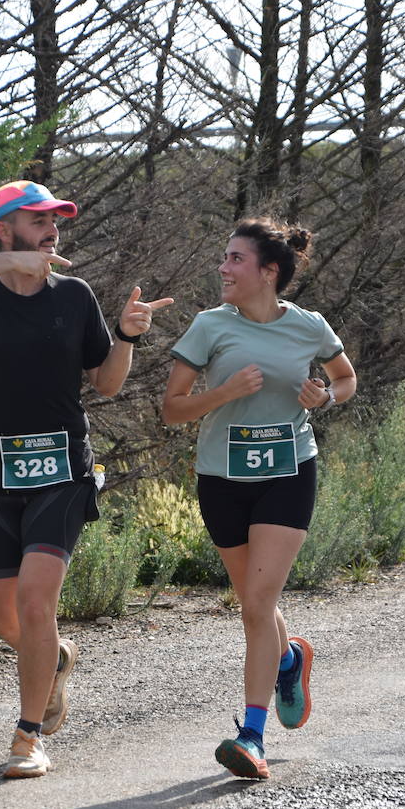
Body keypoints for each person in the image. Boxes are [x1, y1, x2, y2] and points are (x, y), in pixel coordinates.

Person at [0, 180, 173, 779]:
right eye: (37, 221)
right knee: (7, 621)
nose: (52, 230)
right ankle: (54, 659)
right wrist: (10, 264)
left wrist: (127, 336)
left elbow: (106, 383)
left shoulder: (74, 295)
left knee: (36, 603)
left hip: (62, 469)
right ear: (4, 229)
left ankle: (27, 738)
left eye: (55, 220)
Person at [162, 218, 357, 780]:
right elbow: (171, 409)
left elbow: (345, 379)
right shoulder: (209, 326)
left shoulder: (308, 326)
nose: (223, 268)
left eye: (235, 259)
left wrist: (325, 398)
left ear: (268, 272)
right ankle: (289, 658)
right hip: (221, 478)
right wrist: (223, 393)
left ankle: (251, 735)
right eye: (224, 258)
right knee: (255, 601)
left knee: (255, 604)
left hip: (287, 472)